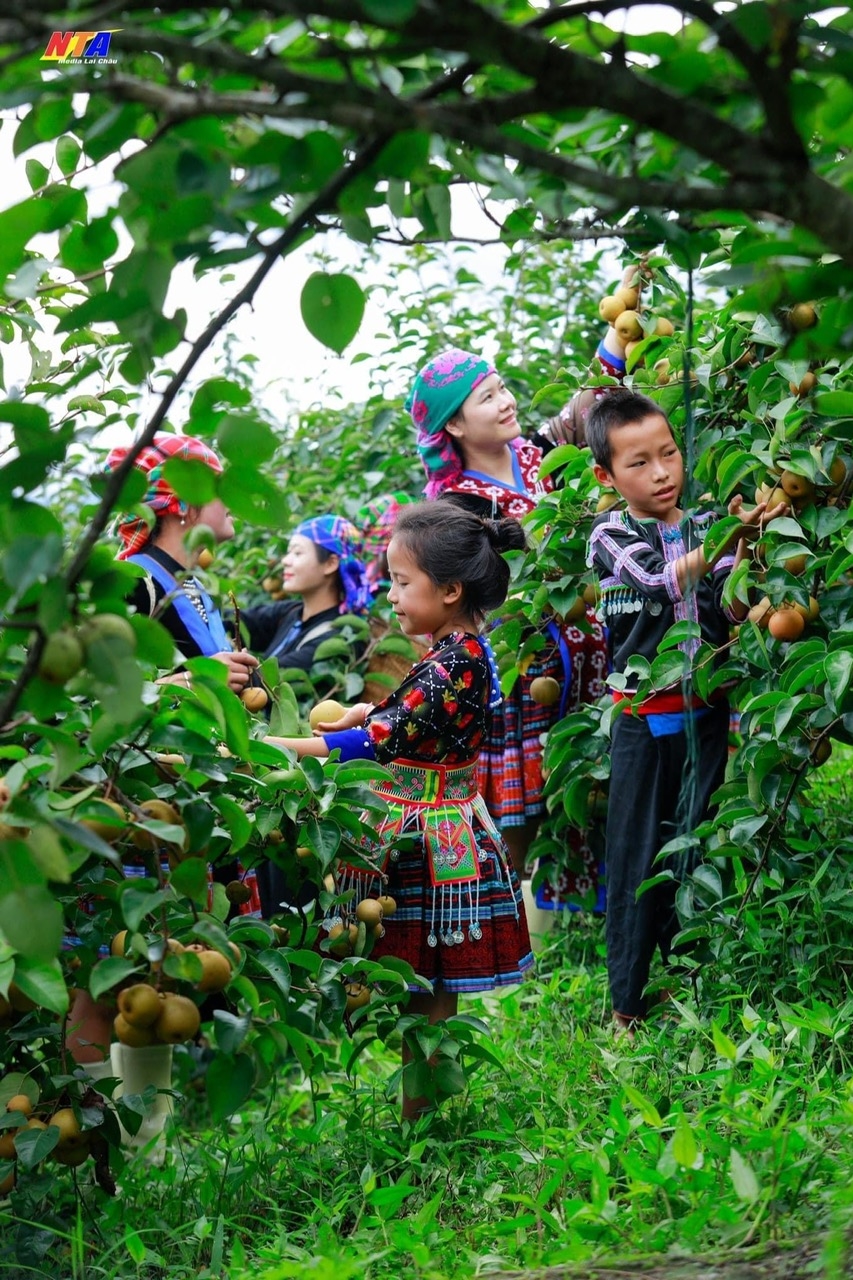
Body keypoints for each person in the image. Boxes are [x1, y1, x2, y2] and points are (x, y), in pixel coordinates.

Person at [266, 502, 534, 1116]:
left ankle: (426, 1117)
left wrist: (278, 747)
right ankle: (428, 1111)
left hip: (434, 843)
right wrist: (371, 713)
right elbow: (408, 719)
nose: (389, 595)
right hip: (432, 831)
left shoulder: (457, 660)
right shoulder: (453, 650)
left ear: (449, 589)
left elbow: (378, 742)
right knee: (425, 987)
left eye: (402, 582)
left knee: (430, 990)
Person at [586, 388, 787, 1036]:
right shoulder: (611, 535)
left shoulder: (703, 525)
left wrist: (749, 556)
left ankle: (678, 980)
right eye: (638, 462)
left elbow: (729, 605)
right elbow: (656, 580)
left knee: (690, 848)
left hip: (705, 719)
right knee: (636, 856)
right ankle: (625, 1006)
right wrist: (733, 533)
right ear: (606, 476)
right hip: (646, 725)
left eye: (668, 453)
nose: (661, 471)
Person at [408, 348, 608, 879]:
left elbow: (590, 400)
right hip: (522, 666)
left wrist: (626, 306)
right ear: (454, 422)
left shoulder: (543, 456)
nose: (506, 402)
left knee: (590, 786)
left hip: (591, 656)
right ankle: (524, 930)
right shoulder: (456, 507)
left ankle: (582, 918)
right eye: (487, 397)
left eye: (503, 388)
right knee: (521, 806)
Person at [107, 433, 259, 695]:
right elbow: (97, 697)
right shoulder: (132, 583)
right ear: (184, 502)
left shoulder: (194, 586)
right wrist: (193, 681)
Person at [239, 515, 371, 671]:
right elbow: (232, 620)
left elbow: (268, 678)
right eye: (289, 553)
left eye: (297, 553)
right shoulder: (290, 612)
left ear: (330, 564)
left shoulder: (340, 638)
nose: (285, 561)